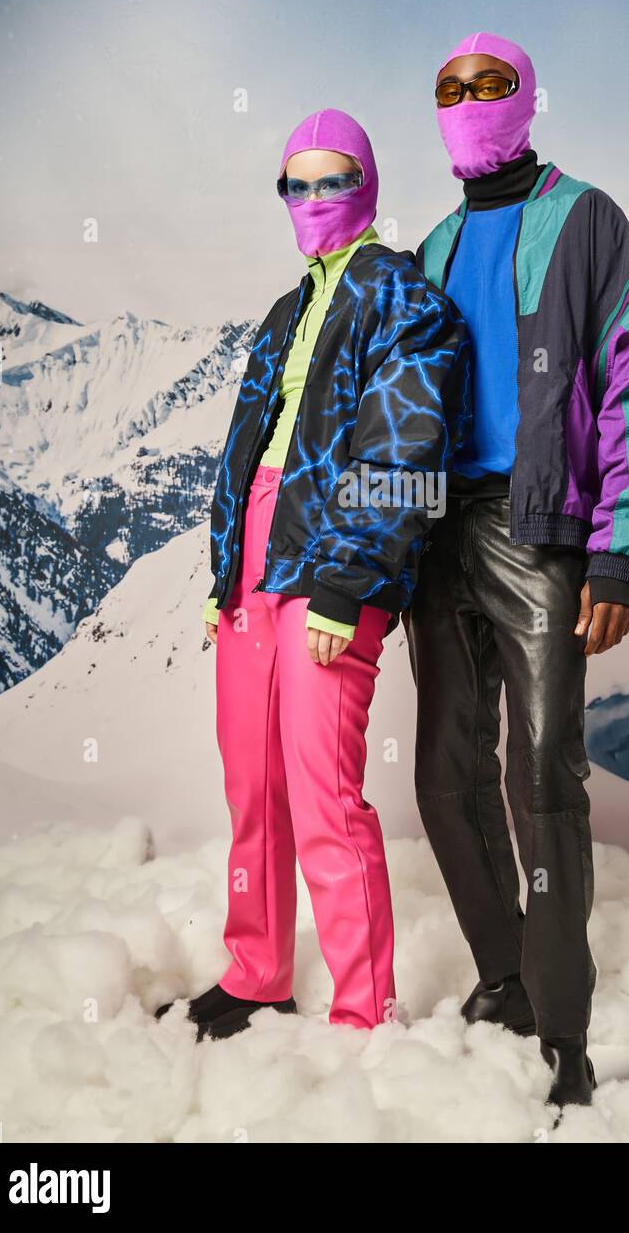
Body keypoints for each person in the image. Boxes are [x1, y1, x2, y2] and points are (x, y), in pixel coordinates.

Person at [408, 33, 629, 1107]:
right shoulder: (428, 246)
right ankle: (505, 975)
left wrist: (619, 549)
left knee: (542, 778)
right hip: (439, 534)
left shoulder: (584, 221)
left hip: (540, 533)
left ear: (525, 99)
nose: (469, 101)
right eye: (448, 88)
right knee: (445, 775)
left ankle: (563, 1033)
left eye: (489, 85)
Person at [158, 108, 470, 1039]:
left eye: (334, 180)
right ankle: (256, 972)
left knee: (322, 790)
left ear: (368, 187)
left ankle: (361, 1010)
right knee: (252, 784)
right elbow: (243, 448)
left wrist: (346, 581)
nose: (314, 199)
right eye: (297, 183)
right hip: (257, 548)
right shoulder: (286, 309)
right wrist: (225, 577)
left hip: (335, 551)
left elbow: (405, 448)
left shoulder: (403, 300)